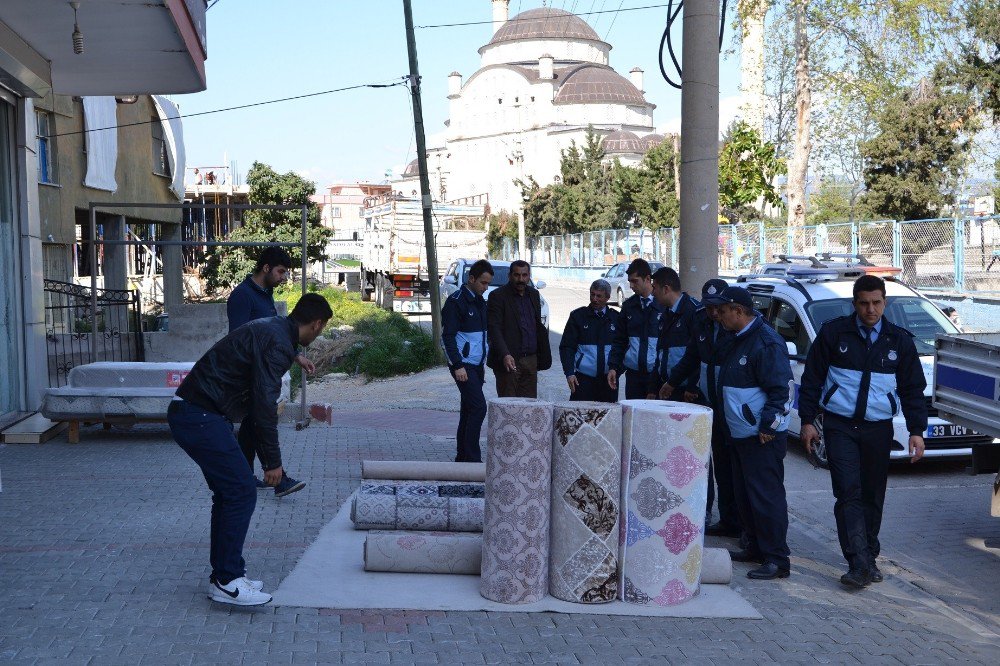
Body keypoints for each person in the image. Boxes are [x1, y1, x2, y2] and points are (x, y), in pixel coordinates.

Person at [169, 293, 332, 606]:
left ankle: (226, 574)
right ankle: (227, 580)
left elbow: (270, 348)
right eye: (321, 329)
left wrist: (294, 355)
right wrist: (273, 464)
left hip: (195, 411)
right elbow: (263, 409)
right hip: (199, 415)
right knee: (242, 491)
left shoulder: (275, 328)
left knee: (230, 493)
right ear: (316, 324)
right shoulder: (279, 343)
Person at [798, 275, 927, 589]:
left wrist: (916, 430)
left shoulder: (899, 340)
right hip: (840, 426)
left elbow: (913, 389)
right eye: (864, 303)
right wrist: (806, 422)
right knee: (848, 492)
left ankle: (868, 554)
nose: (871, 309)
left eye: (877, 303)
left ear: (884, 302)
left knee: (872, 494)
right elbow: (811, 379)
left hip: (877, 429)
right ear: (854, 304)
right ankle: (858, 563)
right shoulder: (833, 333)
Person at [703, 286, 793, 581]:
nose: (718, 316)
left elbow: (782, 390)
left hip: (760, 437)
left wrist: (769, 425)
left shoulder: (765, 342)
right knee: (745, 495)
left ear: (738, 311)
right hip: (739, 434)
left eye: (723, 311)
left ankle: (777, 559)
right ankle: (755, 546)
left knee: (765, 497)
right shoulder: (737, 339)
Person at [658, 278, 742, 538]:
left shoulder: (737, 328)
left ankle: (741, 523)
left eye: (718, 308)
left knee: (734, 467)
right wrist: (671, 382)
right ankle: (725, 518)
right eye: (709, 308)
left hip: (733, 408)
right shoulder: (701, 321)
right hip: (708, 403)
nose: (714, 313)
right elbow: (692, 357)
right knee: (710, 462)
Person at [227, 247, 313, 497]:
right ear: (266, 268)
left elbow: (276, 333)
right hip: (251, 374)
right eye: (281, 271)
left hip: (264, 372)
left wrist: (296, 356)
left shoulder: (265, 294)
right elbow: (239, 338)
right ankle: (279, 479)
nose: (284, 277)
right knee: (261, 422)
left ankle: (242, 478)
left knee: (251, 427)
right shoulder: (242, 296)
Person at [442, 259, 492, 462]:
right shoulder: (456, 302)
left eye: (488, 283)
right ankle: (472, 458)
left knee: (469, 409)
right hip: (463, 366)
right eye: (483, 282)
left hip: (477, 366)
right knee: (479, 407)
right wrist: (457, 365)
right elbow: (447, 338)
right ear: (471, 279)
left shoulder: (480, 302)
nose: (485, 287)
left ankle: (462, 456)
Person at [486, 260, 552, 397]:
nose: (521, 279)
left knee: (529, 406)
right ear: (509, 276)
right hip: (509, 360)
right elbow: (494, 329)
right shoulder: (498, 296)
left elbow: (536, 325)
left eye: (524, 275)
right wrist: (505, 354)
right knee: (508, 407)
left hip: (531, 360)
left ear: (529, 276)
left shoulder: (534, 294)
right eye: (517, 275)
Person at [607, 258, 663, 399]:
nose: (631, 285)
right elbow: (620, 340)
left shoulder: (662, 305)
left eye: (635, 281)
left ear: (647, 279)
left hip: (657, 376)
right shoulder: (628, 306)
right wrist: (614, 367)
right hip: (633, 376)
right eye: (630, 281)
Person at [559, 279, 620, 403]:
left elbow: (623, 348)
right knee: (580, 417)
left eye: (599, 296)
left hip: (609, 380)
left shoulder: (616, 318)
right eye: (592, 294)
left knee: (606, 419)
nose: (594, 299)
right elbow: (567, 347)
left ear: (607, 297)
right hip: (583, 380)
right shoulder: (577, 316)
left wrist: (617, 370)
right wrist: (569, 373)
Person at [646, 267, 699, 400]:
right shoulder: (666, 314)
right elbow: (660, 354)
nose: (652, 293)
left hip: (685, 392)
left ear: (666, 289)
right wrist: (652, 388)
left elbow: (698, 354)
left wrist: (692, 386)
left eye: (655, 288)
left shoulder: (693, 311)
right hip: (666, 387)